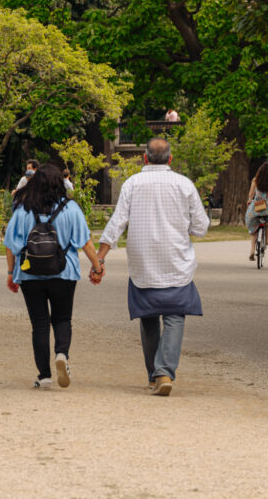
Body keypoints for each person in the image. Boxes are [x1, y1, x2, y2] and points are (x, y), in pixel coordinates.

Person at [96, 138, 209, 396]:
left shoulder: (132, 184)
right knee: (174, 316)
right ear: (170, 159)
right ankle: (164, 371)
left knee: (148, 318)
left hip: (143, 264)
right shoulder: (185, 185)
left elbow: (117, 223)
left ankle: (153, 375)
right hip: (176, 262)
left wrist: (100, 258)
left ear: (145, 158)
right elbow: (201, 227)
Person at [4, 164, 102, 389]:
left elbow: (11, 246)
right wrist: (97, 267)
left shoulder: (22, 210)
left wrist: (11, 273)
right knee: (62, 318)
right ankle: (61, 354)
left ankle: (44, 375)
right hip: (64, 271)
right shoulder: (71, 208)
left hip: (30, 273)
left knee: (39, 324)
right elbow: (85, 242)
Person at [245, 162, 268, 258]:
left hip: (258, 205)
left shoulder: (255, 180)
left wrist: (249, 200)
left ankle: (252, 250)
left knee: (254, 229)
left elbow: (251, 194)